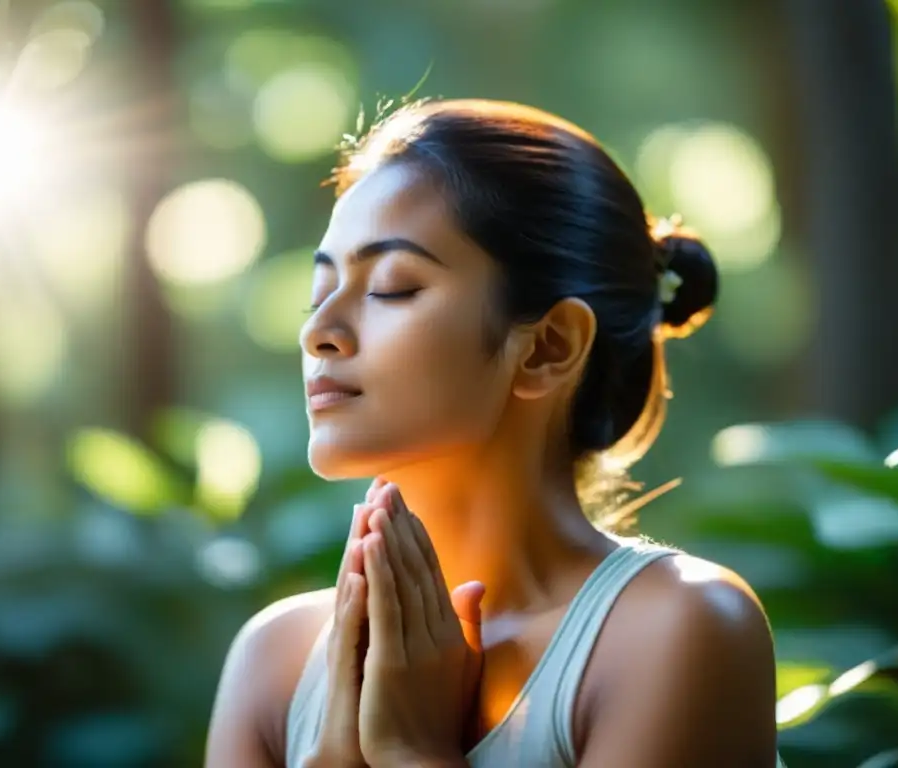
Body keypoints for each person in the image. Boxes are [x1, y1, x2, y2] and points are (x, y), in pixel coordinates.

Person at [205, 99, 785, 767]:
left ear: (548, 347)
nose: (318, 332)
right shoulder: (273, 662)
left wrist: (411, 752)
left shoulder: (679, 629)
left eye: (391, 287)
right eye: (319, 292)